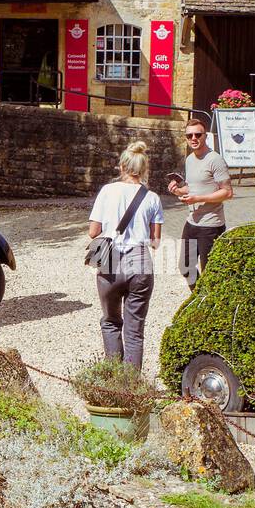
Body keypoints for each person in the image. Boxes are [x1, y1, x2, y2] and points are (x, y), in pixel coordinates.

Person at [89, 142, 164, 369]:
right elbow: (155, 241)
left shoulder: (107, 191)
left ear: (122, 166)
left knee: (111, 322)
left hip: (110, 260)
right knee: (134, 330)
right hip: (139, 261)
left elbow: (93, 231)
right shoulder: (152, 198)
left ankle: (113, 378)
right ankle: (131, 385)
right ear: (143, 169)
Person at [168, 117, 233, 289]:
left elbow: (227, 192)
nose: (193, 139)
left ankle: (209, 306)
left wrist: (199, 199)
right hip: (192, 222)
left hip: (211, 225)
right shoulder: (190, 159)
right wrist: (178, 191)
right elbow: (193, 188)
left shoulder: (215, 159)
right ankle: (199, 299)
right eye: (189, 136)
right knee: (185, 267)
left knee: (210, 273)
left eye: (198, 134)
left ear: (205, 136)